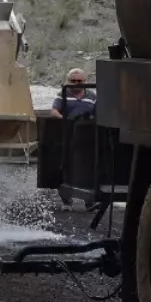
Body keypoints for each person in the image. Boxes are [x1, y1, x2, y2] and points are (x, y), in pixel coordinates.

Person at [51, 67, 96, 211]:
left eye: (80, 81)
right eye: (73, 81)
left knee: (89, 168)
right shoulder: (63, 94)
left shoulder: (92, 96)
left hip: (87, 137)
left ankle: (89, 202)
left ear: (85, 81)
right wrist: (64, 120)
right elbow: (54, 111)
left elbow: (98, 112)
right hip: (68, 136)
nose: (76, 83)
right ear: (68, 81)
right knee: (67, 166)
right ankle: (66, 201)